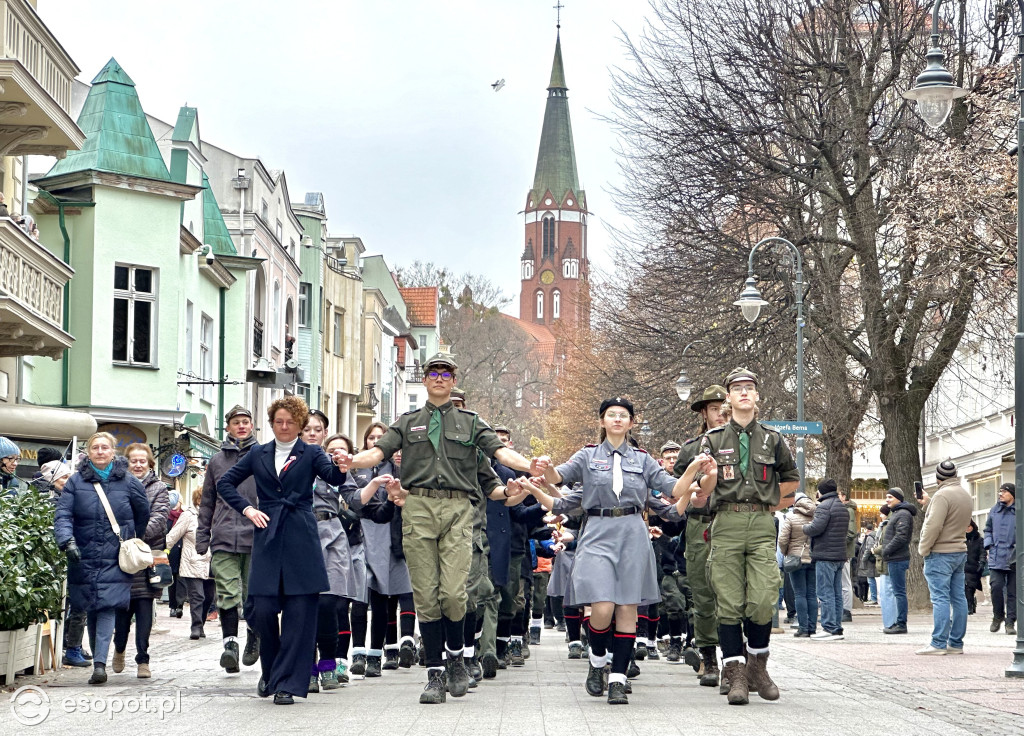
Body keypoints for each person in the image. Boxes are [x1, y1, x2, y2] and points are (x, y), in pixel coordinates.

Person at [338, 353, 535, 705]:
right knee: (426, 595)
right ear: (426, 380)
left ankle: (457, 658)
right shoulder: (407, 422)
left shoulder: (472, 423)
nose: (440, 378)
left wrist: (527, 472)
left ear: (454, 379)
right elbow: (376, 452)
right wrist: (350, 460)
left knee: (455, 594)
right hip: (418, 508)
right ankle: (434, 674)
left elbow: (501, 459)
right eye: (433, 373)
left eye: (446, 373)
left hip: (459, 509)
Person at [528, 397, 695, 705]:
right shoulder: (587, 456)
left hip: (632, 531)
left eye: (623, 415)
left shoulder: (643, 459)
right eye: (611, 415)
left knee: (628, 608)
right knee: (602, 607)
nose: (617, 419)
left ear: (631, 423)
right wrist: (546, 467)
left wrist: (695, 467)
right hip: (598, 531)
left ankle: (617, 678)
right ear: (602, 422)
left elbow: (674, 490)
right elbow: (558, 478)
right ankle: (596, 658)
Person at [216, 396, 349, 705]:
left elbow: (334, 477)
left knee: (299, 614)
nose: (285, 426)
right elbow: (226, 484)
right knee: (260, 609)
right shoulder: (258, 453)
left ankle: (286, 683)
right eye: (279, 421)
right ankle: (272, 668)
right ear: (272, 423)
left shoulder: (312, 452)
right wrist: (248, 510)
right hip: (267, 533)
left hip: (301, 533)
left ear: (300, 425)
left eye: (290, 421)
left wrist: (341, 465)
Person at [687, 369, 800, 706]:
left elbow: (791, 482)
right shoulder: (714, 439)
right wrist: (700, 490)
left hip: (762, 524)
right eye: (737, 389)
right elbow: (703, 485)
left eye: (750, 388)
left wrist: (770, 504)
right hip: (727, 522)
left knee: (765, 596)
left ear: (757, 396)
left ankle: (758, 667)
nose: (744, 393)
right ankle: (735, 674)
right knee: (729, 600)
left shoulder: (773, 438)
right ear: (729, 399)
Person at [53, 432, 150, 684]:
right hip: (82, 554)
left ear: (112, 451)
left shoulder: (129, 482)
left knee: (107, 605)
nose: (99, 451)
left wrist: (132, 539)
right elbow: (63, 515)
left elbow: (143, 513)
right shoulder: (75, 482)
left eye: (104, 447)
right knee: (91, 606)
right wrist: (67, 541)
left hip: (115, 555)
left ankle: (99, 664)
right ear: (88, 452)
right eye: (95, 447)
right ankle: (99, 659)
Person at [312, 432, 395, 690]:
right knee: (303, 607)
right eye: (332, 450)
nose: (336, 455)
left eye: (341, 451)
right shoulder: (295, 465)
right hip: (302, 536)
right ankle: (306, 667)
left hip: (340, 541)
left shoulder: (341, 473)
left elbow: (360, 501)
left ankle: (329, 664)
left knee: (331, 604)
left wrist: (379, 488)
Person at [196, 405, 261, 673]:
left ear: (252, 426)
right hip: (223, 537)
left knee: (253, 595)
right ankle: (230, 646)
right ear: (228, 427)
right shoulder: (216, 461)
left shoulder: (263, 456)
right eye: (237, 422)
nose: (242, 426)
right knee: (227, 593)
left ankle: (254, 639)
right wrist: (202, 536)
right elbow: (207, 502)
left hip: (256, 536)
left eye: (246, 422)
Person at [672, 384, 729, 686]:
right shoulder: (692, 448)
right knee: (703, 593)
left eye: (724, 407)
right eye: (714, 409)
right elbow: (673, 487)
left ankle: (736, 657)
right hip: (700, 524)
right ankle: (708, 658)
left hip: (733, 522)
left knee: (735, 593)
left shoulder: (743, 445)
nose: (720, 414)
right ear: (704, 413)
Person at [112, 444, 170, 678]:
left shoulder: (159, 488)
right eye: (133, 461)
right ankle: (119, 649)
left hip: (148, 555)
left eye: (142, 461)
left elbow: (160, 518)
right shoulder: (116, 485)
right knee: (122, 611)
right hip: (122, 555)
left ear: (149, 464)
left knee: (145, 608)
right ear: (126, 463)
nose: (137, 465)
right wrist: (123, 539)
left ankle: (143, 659)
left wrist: (134, 537)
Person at [348, 422, 393, 676]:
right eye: (371, 437)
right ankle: (358, 653)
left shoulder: (396, 467)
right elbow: (351, 499)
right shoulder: (357, 467)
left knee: (380, 598)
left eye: (380, 437)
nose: (375, 441)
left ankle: (376, 654)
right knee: (358, 597)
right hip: (359, 533)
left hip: (384, 535)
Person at [916, 460, 972, 655]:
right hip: (959, 550)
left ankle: (938, 643)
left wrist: (923, 548)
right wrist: (929, 504)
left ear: (938, 478)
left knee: (940, 598)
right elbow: (952, 518)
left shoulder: (942, 495)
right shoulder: (965, 494)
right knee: (959, 598)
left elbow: (934, 525)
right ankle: (956, 643)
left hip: (940, 552)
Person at [802, 479, 849, 641]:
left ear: (821, 491)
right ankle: (836, 627)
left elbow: (816, 528)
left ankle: (829, 627)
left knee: (825, 592)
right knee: (836, 593)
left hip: (825, 555)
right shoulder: (841, 506)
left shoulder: (824, 506)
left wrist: (804, 527)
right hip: (839, 555)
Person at [166, 486, 212, 639]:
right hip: (192, 562)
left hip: (211, 564)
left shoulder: (218, 515)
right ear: (198, 500)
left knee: (209, 597)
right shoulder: (188, 516)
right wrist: (163, 553)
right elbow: (172, 536)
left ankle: (202, 624)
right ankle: (196, 627)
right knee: (197, 595)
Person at [779, 491, 817, 636]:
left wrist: (786, 552)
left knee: (800, 594)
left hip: (795, 559)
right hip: (813, 558)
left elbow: (782, 540)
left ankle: (803, 628)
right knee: (812, 594)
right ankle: (812, 627)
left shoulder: (791, 517)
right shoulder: (816, 517)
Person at [880, 488, 916, 634]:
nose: (887, 500)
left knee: (899, 592)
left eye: (890, 497)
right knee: (897, 591)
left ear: (898, 498)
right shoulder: (898, 513)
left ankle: (901, 624)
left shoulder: (903, 514)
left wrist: (886, 550)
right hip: (895, 557)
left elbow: (901, 537)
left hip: (897, 558)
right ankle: (898, 622)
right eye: (886, 497)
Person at [985, 482, 1016, 635]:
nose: (1000, 494)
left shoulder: (1019, 511)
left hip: (1015, 558)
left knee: (1013, 592)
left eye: (1004, 491)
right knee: (996, 587)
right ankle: (998, 616)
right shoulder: (994, 510)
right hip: (996, 556)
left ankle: (1010, 622)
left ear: (1012, 494)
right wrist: (989, 545)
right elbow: (988, 529)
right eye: (1000, 491)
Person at [837, 488, 858, 623]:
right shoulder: (845, 510)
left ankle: (846, 610)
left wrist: (838, 543)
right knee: (842, 581)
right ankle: (843, 609)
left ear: (844, 496)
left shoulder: (848, 511)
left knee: (845, 581)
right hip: (842, 549)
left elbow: (851, 532)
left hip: (844, 550)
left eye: (838, 495)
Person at [964, 520, 985, 615]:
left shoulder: (979, 540)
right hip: (963, 566)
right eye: (966, 526)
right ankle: (969, 605)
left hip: (974, 567)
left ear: (973, 526)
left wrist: (982, 562)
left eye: (969, 526)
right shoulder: (960, 539)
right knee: (965, 587)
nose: (967, 528)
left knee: (970, 587)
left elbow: (982, 552)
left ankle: (971, 604)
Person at [858, 523, 879, 604]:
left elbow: (868, 548)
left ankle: (873, 598)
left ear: (867, 529)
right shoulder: (875, 535)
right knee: (870, 579)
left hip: (869, 561)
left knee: (870, 579)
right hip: (872, 560)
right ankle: (873, 597)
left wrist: (864, 558)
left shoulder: (869, 537)